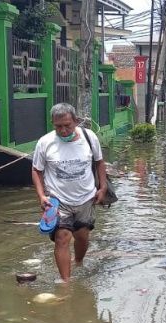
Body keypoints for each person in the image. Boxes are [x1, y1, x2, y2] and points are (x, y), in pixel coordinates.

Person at [31, 103, 108, 283]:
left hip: (85, 198)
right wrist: (42, 196)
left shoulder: (90, 137)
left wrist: (102, 187)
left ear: (76, 121)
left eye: (68, 125)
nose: (63, 130)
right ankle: (65, 283)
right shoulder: (45, 142)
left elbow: (100, 163)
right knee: (62, 237)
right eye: (58, 126)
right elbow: (36, 170)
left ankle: (79, 261)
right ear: (52, 123)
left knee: (82, 237)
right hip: (58, 200)